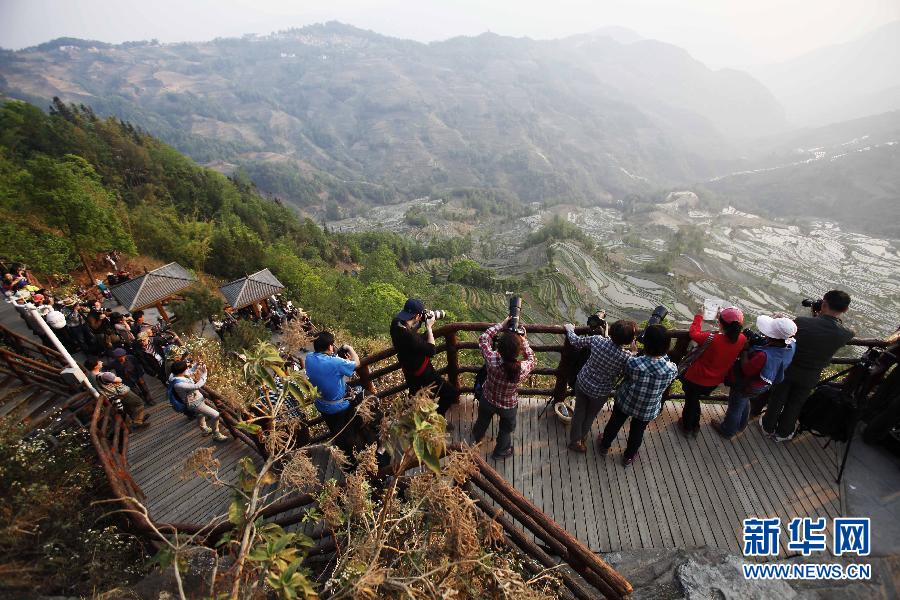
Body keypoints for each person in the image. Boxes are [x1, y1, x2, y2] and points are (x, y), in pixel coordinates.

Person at [761, 290, 854, 442]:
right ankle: (783, 433)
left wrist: (815, 316)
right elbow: (844, 331)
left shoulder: (802, 322)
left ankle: (767, 426)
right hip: (811, 375)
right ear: (845, 310)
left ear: (823, 304)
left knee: (778, 398)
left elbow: (795, 334)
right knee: (796, 403)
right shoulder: (845, 333)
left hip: (789, 368)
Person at [598, 324, 677, 466]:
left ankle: (604, 445)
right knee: (637, 431)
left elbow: (627, 374)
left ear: (645, 343)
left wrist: (634, 354)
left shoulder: (634, 362)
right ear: (666, 345)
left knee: (615, 423)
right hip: (647, 408)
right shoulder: (671, 369)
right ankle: (628, 457)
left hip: (626, 401)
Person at [712, 315, 797, 439]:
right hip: (762, 385)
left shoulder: (764, 356)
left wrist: (745, 349)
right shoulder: (791, 346)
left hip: (748, 384)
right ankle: (741, 425)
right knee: (744, 401)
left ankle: (727, 430)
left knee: (735, 406)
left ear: (773, 336)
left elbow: (746, 369)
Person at [564, 319, 638, 452]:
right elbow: (630, 370)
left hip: (583, 383)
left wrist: (570, 329)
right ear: (629, 340)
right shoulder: (627, 357)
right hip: (601, 392)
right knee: (590, 415)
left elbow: (575, 341)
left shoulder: (597, 340)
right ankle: (582, 437)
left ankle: (575, 441)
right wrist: (633, 353)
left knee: (579, 411)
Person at [472, 318, 536, 459]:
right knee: (506, 430)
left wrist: (501, 325)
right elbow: (531, 358)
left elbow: (483, 339)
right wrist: (523, 340)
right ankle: (501, 451)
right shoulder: (522, 368)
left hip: (487, 399)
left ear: (499, 348)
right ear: (517, 352)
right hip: (508, 405)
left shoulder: (492, 359)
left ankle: (476, 439)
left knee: (482, 421)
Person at [679, 306, 746, 438]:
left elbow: (693, 333)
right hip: (714, 381)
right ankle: (694, 425)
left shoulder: (711, 339)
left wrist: (699, 316)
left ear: (721, 322)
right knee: (694, 400)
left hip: (695, 378)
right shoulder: (742, 339)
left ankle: (688, 427)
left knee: (691, 401)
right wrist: (721, 320)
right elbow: (729, 333)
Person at [390, 298, 459, 418]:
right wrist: (429, 327)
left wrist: (421, 321)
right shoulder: (410, 337)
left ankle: (417, 418)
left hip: (409, 372)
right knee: (451, 393)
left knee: (416, 396)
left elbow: (411, 328)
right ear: (417, 316)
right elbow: (432, 350)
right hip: (424, 373)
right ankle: (436, 418)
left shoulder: (396, 324)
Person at [305, 331, 366, 458]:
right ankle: (355, 445)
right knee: (362, 391)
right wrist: (350, 348)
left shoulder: (309, 357)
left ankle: (342, 445)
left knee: (336, 430)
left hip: (321, 405)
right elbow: (358, 363)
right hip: (338, 407)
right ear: (330, 346)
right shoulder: (335, 363)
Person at [168, 360, 228, 441]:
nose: (187, 370)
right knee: (215, 415)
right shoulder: (179, 384)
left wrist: (196, 365)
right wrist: (204, 374)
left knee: (200, 414)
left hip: (195, 400)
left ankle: (204, 430)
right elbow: (197, 386)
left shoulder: (174, 375)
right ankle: (216, 434)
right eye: (185, 369)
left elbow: (189, 372)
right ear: (181, 371)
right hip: (194, 403)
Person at [84, 356, 148, 427]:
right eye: (99, 362)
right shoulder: (104, 375)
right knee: (139, 403)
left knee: (127, 408)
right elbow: (119, 380)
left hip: (111, 396)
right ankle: (138, 421)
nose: (101, 362)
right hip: (121, 392)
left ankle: (136, 420)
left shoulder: (90, 376)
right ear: (96, 366)